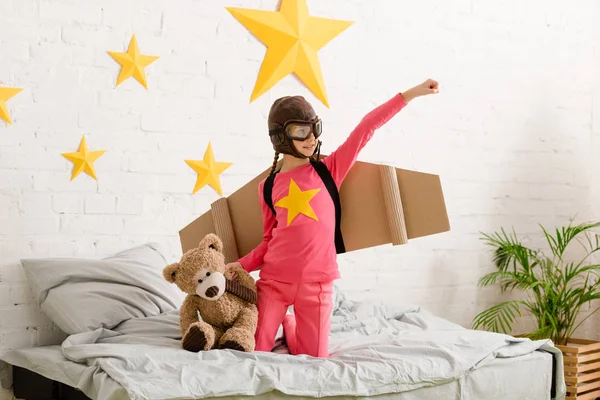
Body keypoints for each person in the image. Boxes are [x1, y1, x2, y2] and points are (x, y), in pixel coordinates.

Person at [225, 79, 440, 357]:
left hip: (317, 283)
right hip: (274, 282)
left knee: (314, 358)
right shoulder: (267, 187)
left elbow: (366, 128)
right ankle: (281, 320)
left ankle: (288, 325)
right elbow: (268, 241)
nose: (311, 138)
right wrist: (239, 266)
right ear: (281, 136)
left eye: (314, 129)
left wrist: (409, 95)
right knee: (255, 350)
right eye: (301, 131)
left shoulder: (328, 171)